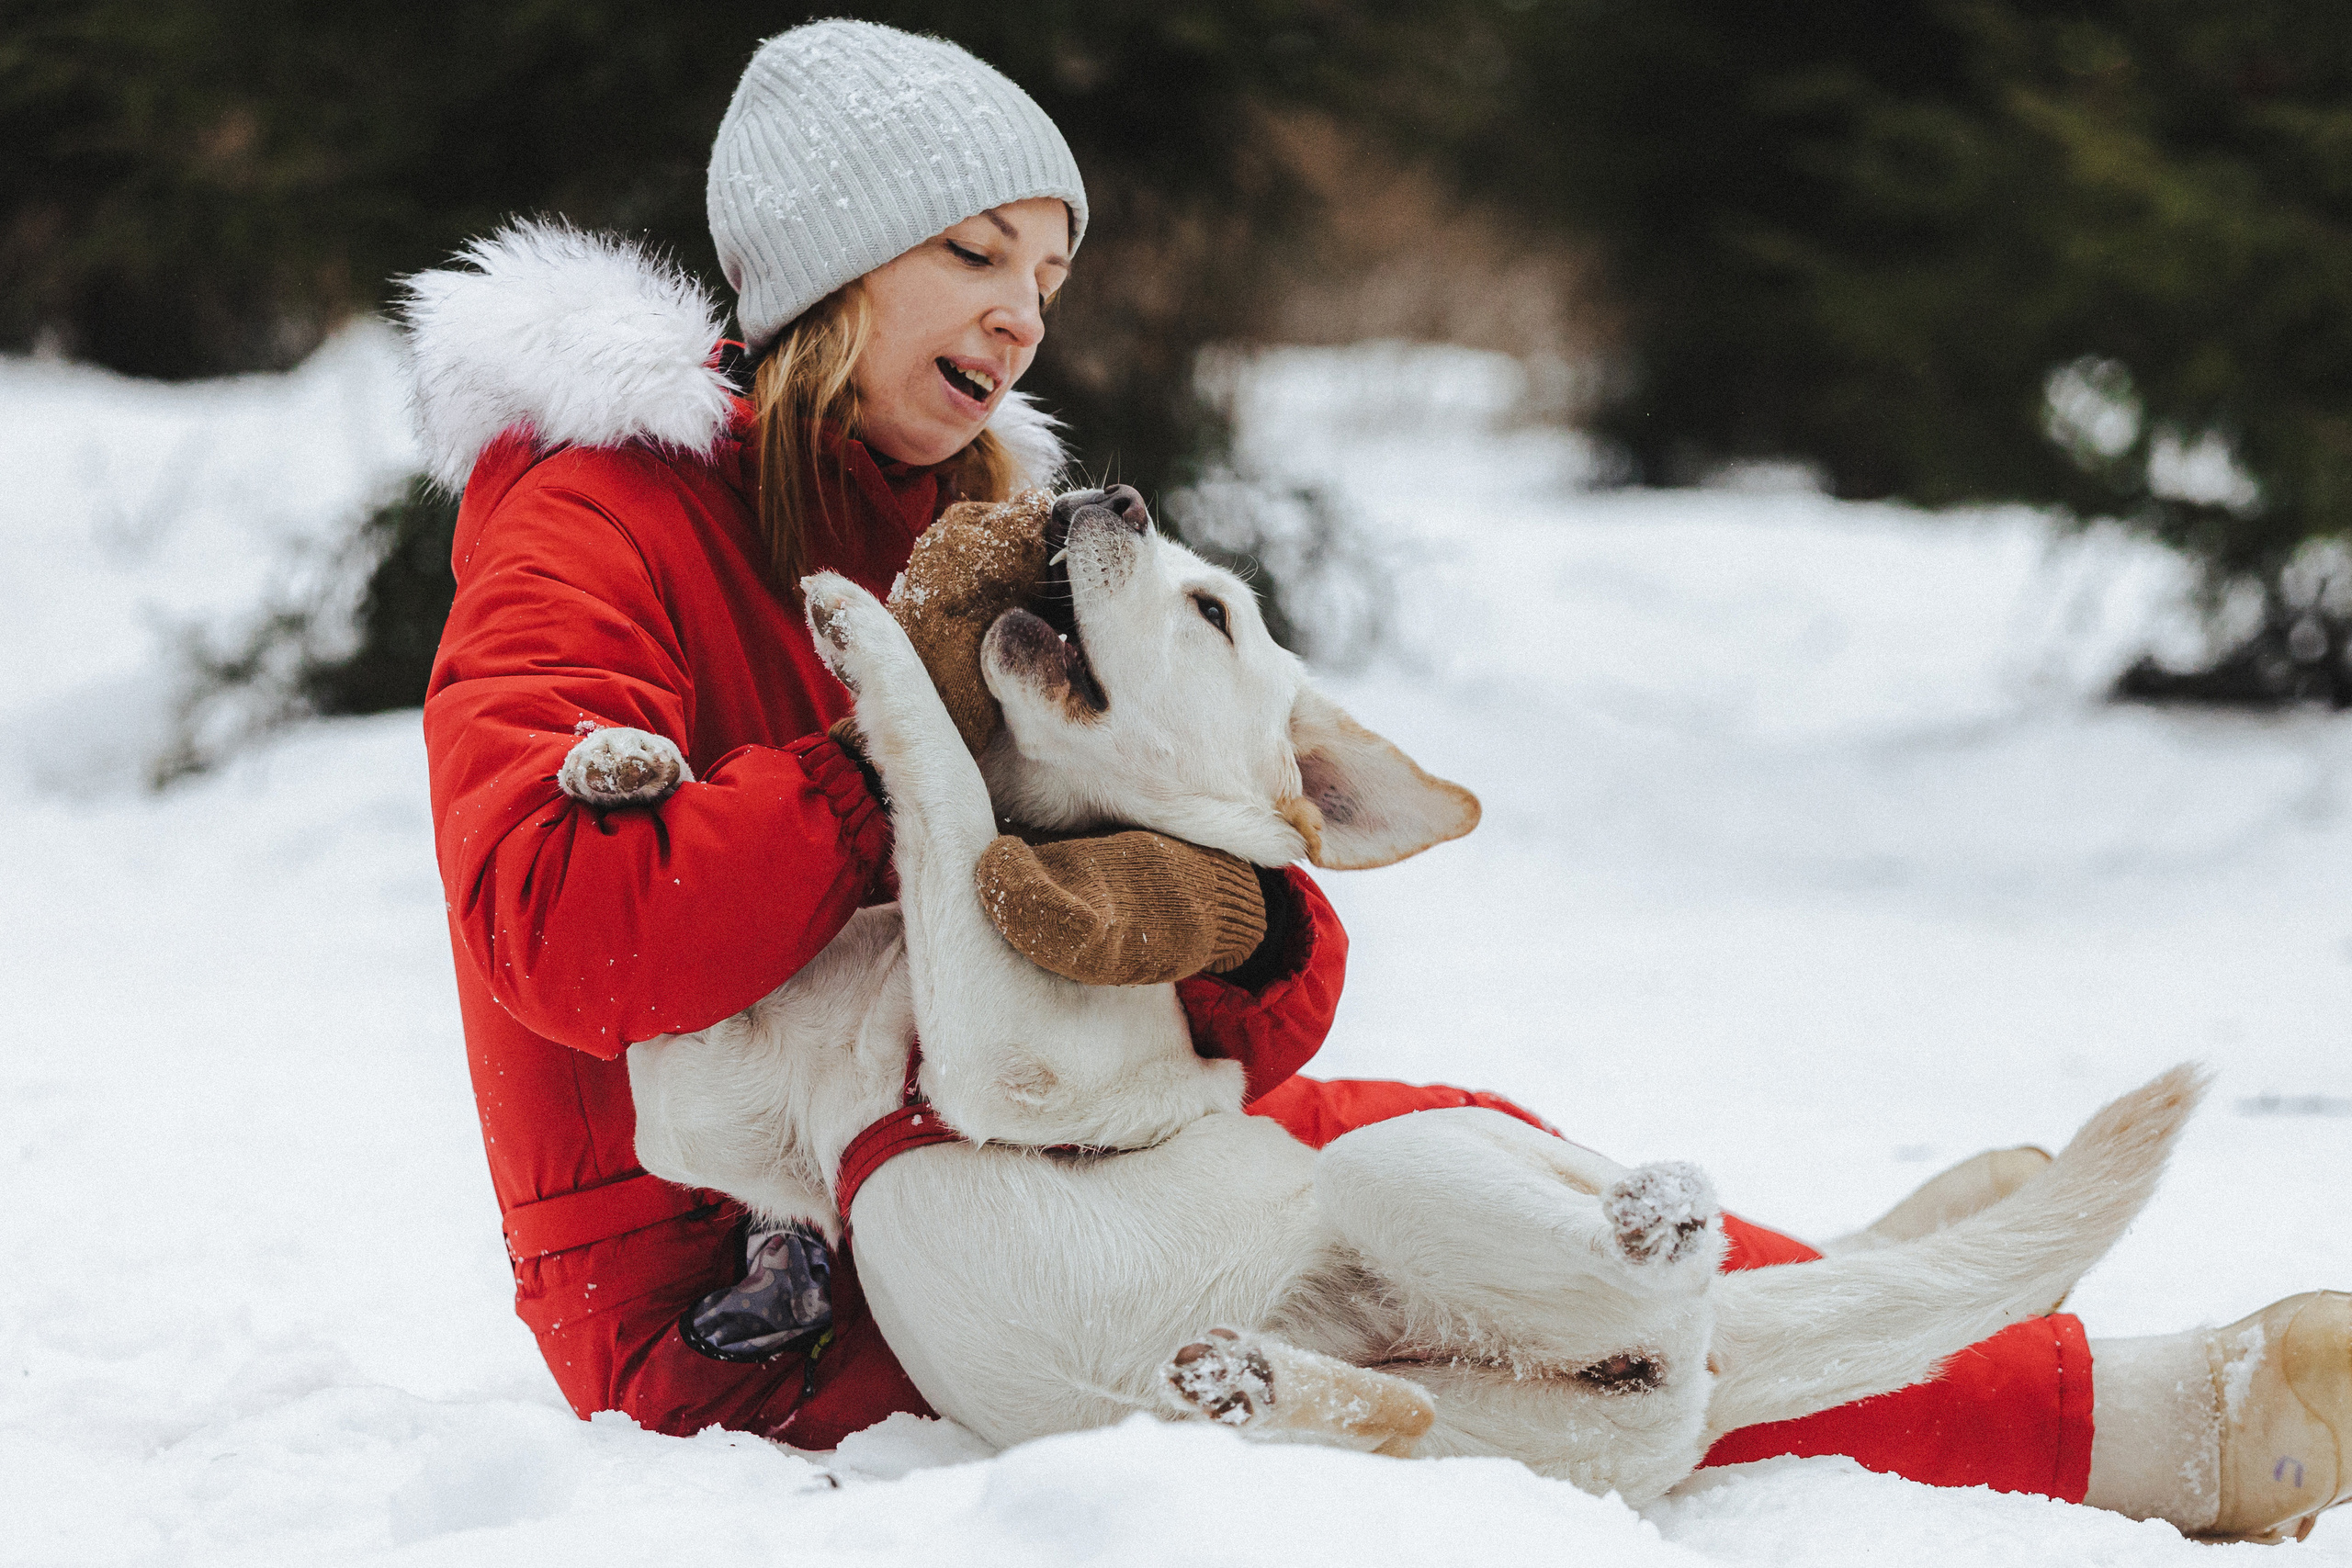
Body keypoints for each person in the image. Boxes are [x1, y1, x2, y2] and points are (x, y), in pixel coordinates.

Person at [411, 19, 2347, 1544]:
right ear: (828, 269)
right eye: (973, 253)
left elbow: (1246, 979)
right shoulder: (596, 523)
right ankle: (2155, 1412)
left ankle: (1916, 1303)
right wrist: (876, 756)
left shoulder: (984, 535)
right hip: (757, 1279)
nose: (1022, 313)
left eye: (1052, 270)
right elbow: (564, 938)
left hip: (1012, 1132)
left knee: (1447, 1136)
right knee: (1459, 1300)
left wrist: (1236, 915)